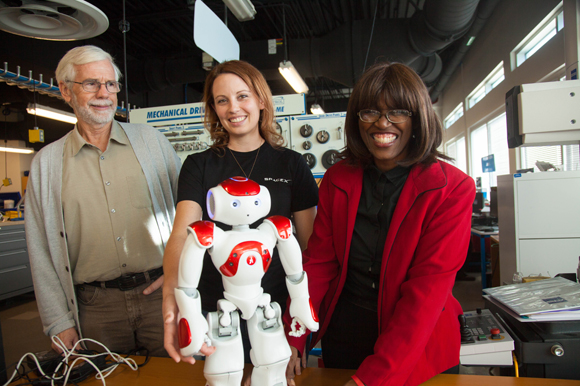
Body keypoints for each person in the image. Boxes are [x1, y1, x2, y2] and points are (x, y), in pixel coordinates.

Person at [284, 62, 475, 386]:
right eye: (369, 111)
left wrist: (373, 379)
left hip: (417, 347)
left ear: (417, 118)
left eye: (397, 111)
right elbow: (318, 265)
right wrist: (293, 336)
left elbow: (427, 291)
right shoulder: (337, 178)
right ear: (357, 119)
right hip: (346, 339)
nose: (382, 123)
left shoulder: (451, 188)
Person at [25, 45, 181, 357]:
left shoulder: (152, 143)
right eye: (91, 83)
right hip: (94, 308)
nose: (104, 93)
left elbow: (189, 217)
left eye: (111, 84)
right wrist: (57, 321)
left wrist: (180, 274)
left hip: (160, 296)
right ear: (67, 91)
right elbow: (40, 250)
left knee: (178, 376)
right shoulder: (47, 164)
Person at [162, 60, 318, 365]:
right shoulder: (199, 165)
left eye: (242, 96)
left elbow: (309, 247)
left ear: (261, 100)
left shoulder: (291, 165)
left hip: (273, 307)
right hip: (217, 307)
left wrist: (297, 331)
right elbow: (183, 233)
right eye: (222, 100)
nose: (233, 108)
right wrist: (173, 293)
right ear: (214, 109)